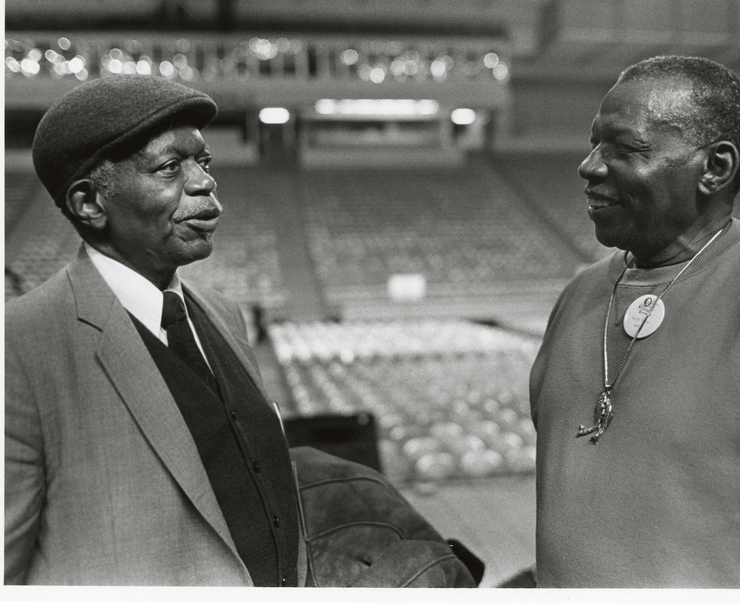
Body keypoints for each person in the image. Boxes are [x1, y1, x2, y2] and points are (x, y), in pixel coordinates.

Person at [5, 75, 477, 588]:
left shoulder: (223, 314)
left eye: (202, 162)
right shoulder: (21, 347)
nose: (205, 182)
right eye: (170, 168)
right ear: (90, 203)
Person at [529, 56, 740, 588]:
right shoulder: (581, 293)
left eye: (625, 149)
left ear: (714, 168)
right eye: (594, 143)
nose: (590, 166)